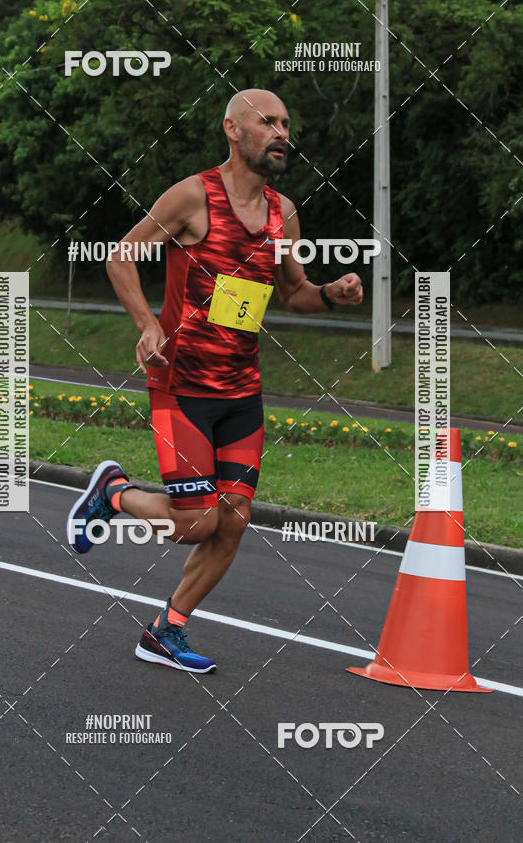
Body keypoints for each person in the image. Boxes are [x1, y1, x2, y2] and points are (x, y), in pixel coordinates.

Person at [67, 88, 363, 673]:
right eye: (268, 122)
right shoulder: (193, 197)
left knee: (233, 522)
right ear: (233, 129)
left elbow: (292, 292)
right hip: (182, 387)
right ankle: (113, 494)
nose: (282, 133)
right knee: (197, 522)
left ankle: (164, 631)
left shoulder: (283, 213)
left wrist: (330, 294)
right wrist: (147, 324)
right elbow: (121, 255)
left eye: (287, 123)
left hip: (242, 392)